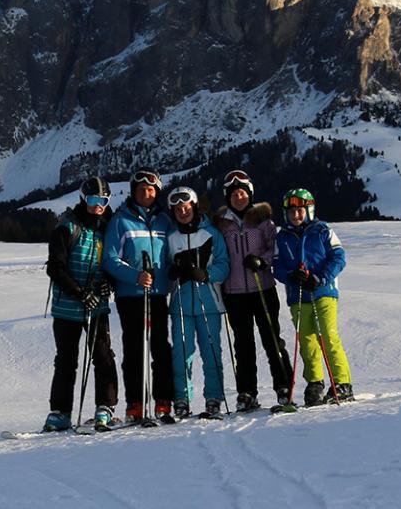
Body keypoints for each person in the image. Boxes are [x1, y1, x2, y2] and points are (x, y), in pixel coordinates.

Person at [214, 169, 295, 413]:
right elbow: (219, 254)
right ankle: (247, 391)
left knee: (272, 339)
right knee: (244, 345)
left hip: (262, 287)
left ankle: (283, 387)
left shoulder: (263, 221)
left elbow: (274, 248)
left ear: (250, 194)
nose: (239, 197)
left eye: (243, 193)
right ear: (228, 197)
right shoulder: (222, 224)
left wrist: (262, 261)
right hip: (235, 291)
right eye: (234, 194)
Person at [43, 177, 120, 432]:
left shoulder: (108, 228)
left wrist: (110, 282)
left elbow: (112, 261)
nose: (99, 205)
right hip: (67, 306)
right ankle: (60, 412)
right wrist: (79, 292)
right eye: (94, 200)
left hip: (96, 305)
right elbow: (55, 267)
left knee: (103, 356)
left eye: (104, 200)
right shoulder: (67, 227)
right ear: (83, 199)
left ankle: (105, 407)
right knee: (66, 360)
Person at [103, 168, 176, 425]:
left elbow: (170, 258)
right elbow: (110, 259)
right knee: (135, 350)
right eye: (141, 189)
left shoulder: (164, 221)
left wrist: (166, 274)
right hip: (131, 295)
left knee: (160, 348)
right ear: (133, 192)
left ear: (157, 192)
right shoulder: (121, 220)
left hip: (157, 295)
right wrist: (135, 275)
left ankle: (163, 402)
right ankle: (135, 404)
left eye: (151, 189)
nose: (146, 193)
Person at [273, 188, 355, 406]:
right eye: (291, 212)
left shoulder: (322, 231)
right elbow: (277, 265)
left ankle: (342, 383)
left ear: (308, 210)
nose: (296, 216)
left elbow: (339, 257)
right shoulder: (282, 237)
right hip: (298, 294)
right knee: (307, 339)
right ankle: (315, 382)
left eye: (299, 211)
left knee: (327, 335)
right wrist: (291, 276)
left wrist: (321, 277)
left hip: (323, 291)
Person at [163, 185, 229, 419]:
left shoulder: (211, 234)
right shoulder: (170, 238)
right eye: (178, 208)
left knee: (211, 353)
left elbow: (223, 264)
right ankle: (182, 399)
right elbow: (164, 268)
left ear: (194, 206)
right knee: (181, 354)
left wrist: (207, 274)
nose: (183, 211)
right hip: (181, 305)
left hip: (209, 304)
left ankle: (213, 398)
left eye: (186, 206)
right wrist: (171, 273)